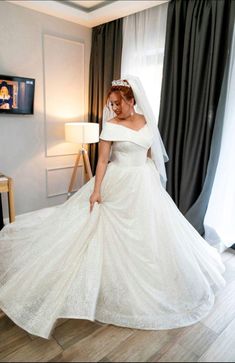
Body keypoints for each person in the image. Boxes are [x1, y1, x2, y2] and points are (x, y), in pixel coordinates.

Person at [0, 76, 225, 340]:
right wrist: (96, 190)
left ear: (132, 100)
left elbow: (153, 156)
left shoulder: (148, 123)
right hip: (116, 182)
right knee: (101, 233)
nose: (114, 108)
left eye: (118, 103)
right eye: (111, 104)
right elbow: (104, 161)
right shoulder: (109, 126)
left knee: (148, 234)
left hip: (143, 183)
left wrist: (152, 181)